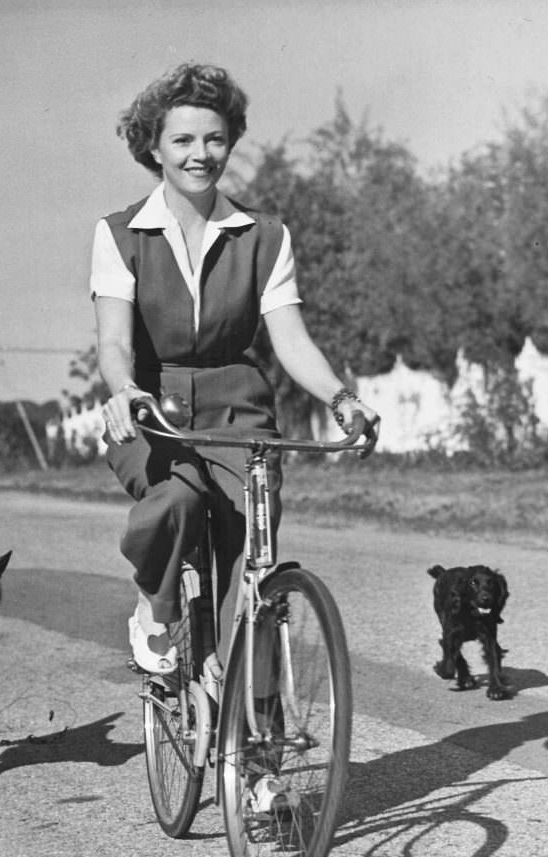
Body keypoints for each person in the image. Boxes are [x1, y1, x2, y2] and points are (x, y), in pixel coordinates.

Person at [91, 62, 378, 676]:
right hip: (149, 408)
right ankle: (156, 604)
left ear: (232, 141)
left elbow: (292, 342)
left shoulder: (266, 237)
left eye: (215, 139)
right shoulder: (119, 235)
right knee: (177, 503)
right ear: (153, 147)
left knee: (256, 570)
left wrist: (341, 399)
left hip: (239, 411)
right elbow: (114, 343)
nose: (202, 154)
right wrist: (123, 392)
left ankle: (258, 749)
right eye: (184, 140)